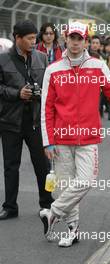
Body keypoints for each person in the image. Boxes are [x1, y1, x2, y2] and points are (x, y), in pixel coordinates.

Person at [39, 21, 110, 247]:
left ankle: (53, 212)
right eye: (72, 38)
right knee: (67, 186)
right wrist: (48, 142)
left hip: (88, 137)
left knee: (85, 181)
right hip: (60, 138)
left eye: (80, 39)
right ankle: (72, 230)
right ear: (65, 39)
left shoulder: (97, 66)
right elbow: (46, 108)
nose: (75, 43)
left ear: (86, 41)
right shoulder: (53, 69)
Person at [0, 20, 54, 220]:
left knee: (43, 165)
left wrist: (39, 93)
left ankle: (48, 203)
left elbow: (50, 87)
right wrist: (17, 93)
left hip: (36, 120)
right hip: (9, 121)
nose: (34, 42)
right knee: (10, 166)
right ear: (18, 38)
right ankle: (10, 206)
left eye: (35, 38)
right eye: (30, 38)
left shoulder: (42, 58)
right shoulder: (2, 59)